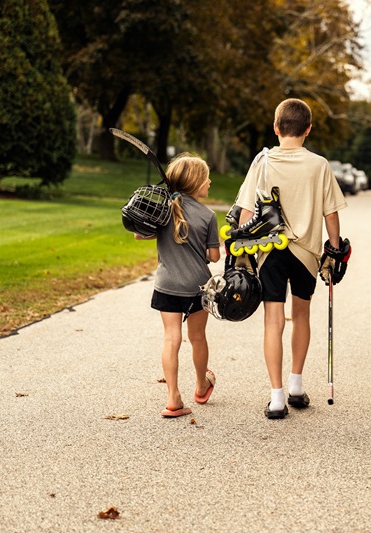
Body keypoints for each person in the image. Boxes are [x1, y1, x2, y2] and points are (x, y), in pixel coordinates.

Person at [233, 98, 349, 419]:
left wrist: (241, 253)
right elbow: (331, 214)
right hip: (306, 253)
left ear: (276, 128)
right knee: (301, 315)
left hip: (270, 252)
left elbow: (244, 215)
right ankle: (296, 384)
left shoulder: (262, 162)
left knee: (273, 320)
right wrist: (334, 249)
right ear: (308, 129)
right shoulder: (319, 165)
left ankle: (277, 397)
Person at [134, 153, 221, 418]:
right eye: (206, 179)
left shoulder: (164, 209)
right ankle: (201, 385)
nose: (210, 183)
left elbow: (139, 234)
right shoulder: (208, 215)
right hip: (197, 286)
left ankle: (173, 398)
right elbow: (215, 256)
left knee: (171, 339)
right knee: (197, 338)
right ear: (195, 183)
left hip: (167, 284)